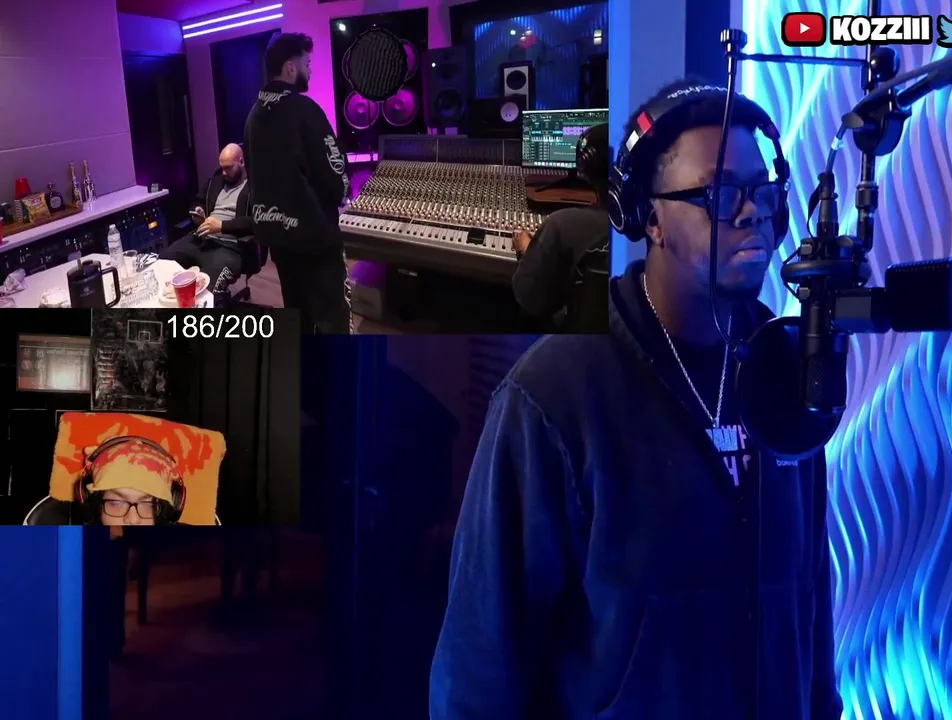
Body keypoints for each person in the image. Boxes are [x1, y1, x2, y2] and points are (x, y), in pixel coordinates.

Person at [430, 80, 842, 719]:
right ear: (649, 217)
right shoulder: (552, 394)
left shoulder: (787, 366)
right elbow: (480, 668)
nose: (751, 213)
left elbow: (811, 592)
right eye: (719, 194)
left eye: (762, 191)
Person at [244, 32, 352, 334]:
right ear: (290, 68)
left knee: (298, 315)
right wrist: (342, 192)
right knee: (332, 319)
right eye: (307, 63)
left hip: (278, 239)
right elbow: (333, 170)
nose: (310, 70)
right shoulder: (305, 109)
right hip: (315, 239)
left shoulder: (253, 116)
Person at [511, 123, 612, 332]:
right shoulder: (658, 228)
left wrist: (526, 249)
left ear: (586, 166)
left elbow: (529, 297)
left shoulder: (562, 224)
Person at [160, 143, 255, 293]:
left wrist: (222, 226)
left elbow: (256, 221)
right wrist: (198, 212)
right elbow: (197, 202)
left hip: (230, 247)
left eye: (228, 168)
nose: (224, 172)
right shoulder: (215, 181)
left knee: (208, 290)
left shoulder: (254, 186)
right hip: (201, 239)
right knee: (163, 263)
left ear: (241, 162)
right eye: (222, 167)